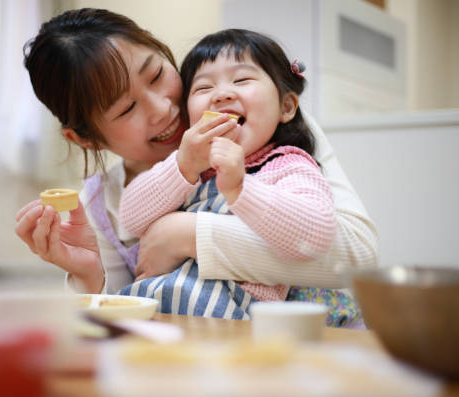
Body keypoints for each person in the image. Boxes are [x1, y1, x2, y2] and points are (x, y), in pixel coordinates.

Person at [14, 9, 378, 322]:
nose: (162, 108)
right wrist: (88, 275)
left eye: (156, 74)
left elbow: (356, 256)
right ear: (86, 139)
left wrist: (185, 235)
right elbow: (129, 318)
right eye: (126, 109)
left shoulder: (270, 131)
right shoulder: (100, 206)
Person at [118, 28, 363, 325]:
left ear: (286, 107)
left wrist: (240, 189)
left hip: (231, 320)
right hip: (157, 315)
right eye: (203, 88)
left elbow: (317, 233)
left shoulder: (287, 165)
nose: (222, 94)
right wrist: (182, 166)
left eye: (242, 80)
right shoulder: (188, 166)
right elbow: (129, 217)